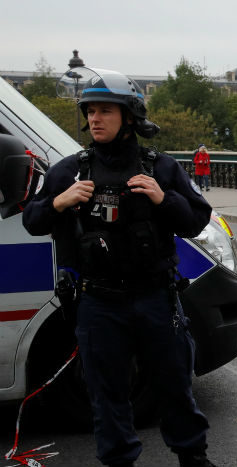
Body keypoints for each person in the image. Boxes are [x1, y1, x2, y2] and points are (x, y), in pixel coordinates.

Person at [22, 67, 216, 467]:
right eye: (90, 111)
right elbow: (32, 220)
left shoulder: (159, 167)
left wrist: (164, 199)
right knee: (106, 390)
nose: (94, 118)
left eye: (105, 110)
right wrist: (60, 202)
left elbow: (197, 219)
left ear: (130, 116)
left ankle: (192, 456)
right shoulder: (71, 170)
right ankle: (118, 460)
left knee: (174, 383)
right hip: (99, 303)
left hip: (156, 298)